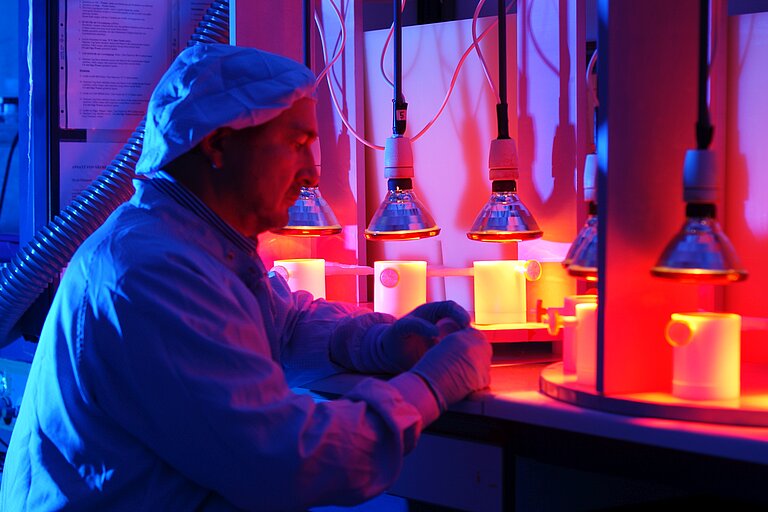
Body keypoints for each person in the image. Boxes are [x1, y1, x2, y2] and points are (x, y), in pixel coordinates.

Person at [0, 43, 491, 511]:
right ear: (217, 144)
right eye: (297, 144)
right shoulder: (152, 272)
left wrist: (376, 341)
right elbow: (286, 460)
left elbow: (283, 322)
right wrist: (429, 387)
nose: (311, 174)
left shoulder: (196, 244)